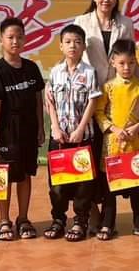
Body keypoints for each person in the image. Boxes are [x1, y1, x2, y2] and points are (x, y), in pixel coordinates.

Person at [71, 0, 139, 231]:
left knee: (111, 155)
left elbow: (129, 57)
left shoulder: (125, 23)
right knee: (89, 154)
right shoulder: (81, 22)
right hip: (88, 96)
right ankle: (90, 211)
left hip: (116, 97)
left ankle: (109, 213)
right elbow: (74, 55)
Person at [0, 17, 45, 241]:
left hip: (29, 128)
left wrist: (41, 128)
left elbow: (38, 100)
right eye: (10, 37)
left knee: (25, 174)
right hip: (7, 130)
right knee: (4, 175)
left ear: (25, 40)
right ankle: (4, 220)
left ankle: (23, 219)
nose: (15, 41)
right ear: (1, 40)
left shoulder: (32, 68)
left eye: (19, 37)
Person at [94, 39, 139, 241]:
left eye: (131, 63)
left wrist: (138, 126)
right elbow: (98, 112)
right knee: (110, 189)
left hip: (136, 144)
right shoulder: (108, 88)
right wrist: (114, 129)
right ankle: (107, 224)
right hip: (113, 146)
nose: (126, 67)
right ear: (112, 62)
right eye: (121, 63)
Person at [43, 24, 101, 242]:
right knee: (57, 185)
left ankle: (80, 221)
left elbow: (93, 102)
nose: (72, 46)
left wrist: (80, 129)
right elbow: (50, 102)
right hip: (59, 138)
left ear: (84, 46)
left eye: (77, 42)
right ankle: (58, 219)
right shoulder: (55, 72)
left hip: (82, 137)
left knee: (83, 184)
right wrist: (55, 128)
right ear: (61, 46)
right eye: (68, 42)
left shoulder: (89, 72)